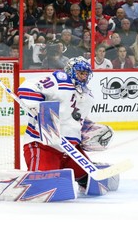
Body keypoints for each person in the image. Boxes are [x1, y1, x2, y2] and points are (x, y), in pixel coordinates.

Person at [17, 56, 118, 196]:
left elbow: (75, 121)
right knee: (43, 187)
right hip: (44, 146)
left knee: (92, 182)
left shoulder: (87, 95)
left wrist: (87, 132)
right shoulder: (60, 80)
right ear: (71, 71)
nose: (83, 77)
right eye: (80, 73)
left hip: (71, 151)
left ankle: (79, 176)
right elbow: (27, 88)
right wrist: (39, 108)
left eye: (86, 74)